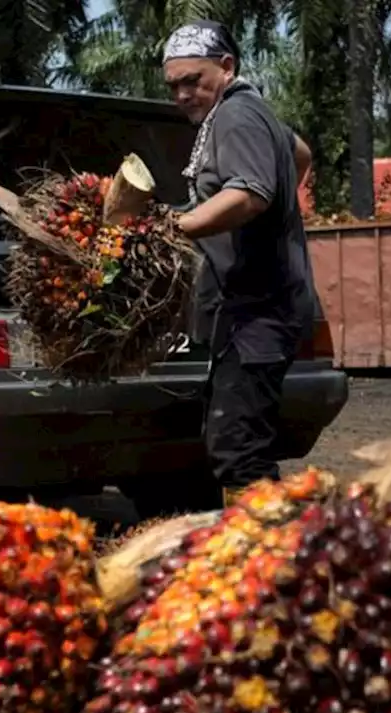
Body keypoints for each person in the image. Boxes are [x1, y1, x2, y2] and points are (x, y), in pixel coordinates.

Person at [162, 19, 316, 506]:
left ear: (226, 67)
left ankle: (265, 562)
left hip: (261, 310)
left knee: (239, 451)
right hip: (256, 309)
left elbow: (248, 194)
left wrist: (175, 228)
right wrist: (280, 208)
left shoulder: (236, 115)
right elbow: (301, 154)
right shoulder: (254, 112)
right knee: (235, 438)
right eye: (174, 86)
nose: (183, 94)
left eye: (194, 80)